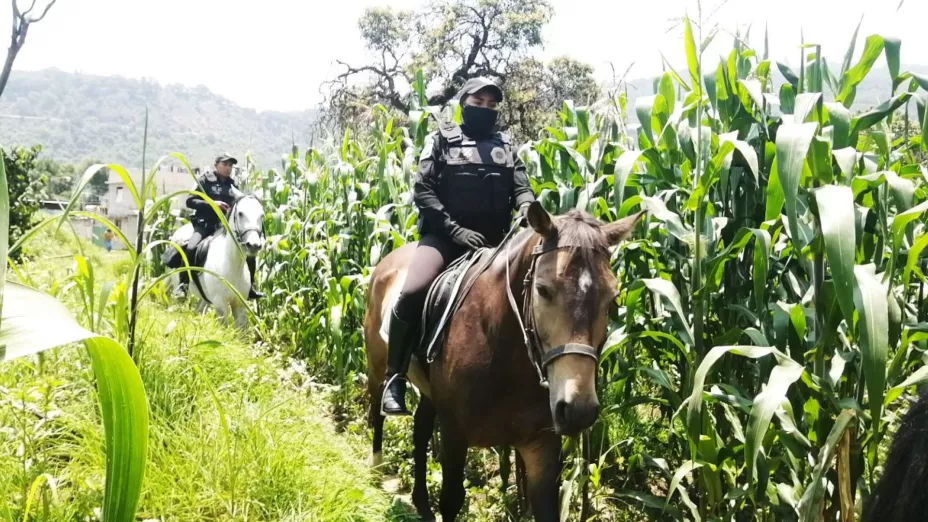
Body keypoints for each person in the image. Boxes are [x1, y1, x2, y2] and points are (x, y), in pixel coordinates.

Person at [381, 77, 536, 416]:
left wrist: (527, 208)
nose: (485, 110)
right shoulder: (441, 141)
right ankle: (394, 378)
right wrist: (455, 230)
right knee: (410, 294)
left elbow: (522, 188)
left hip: (497, 244)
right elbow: (423, 190)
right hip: (444, 239)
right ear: (463, 103)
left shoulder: (506, 147)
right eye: (478, 103)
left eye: (492, 105)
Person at [173, 154, 264, 300]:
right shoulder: (204, 180)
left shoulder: (233, 186)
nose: (228, 168)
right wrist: (212, 203)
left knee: (248, 253)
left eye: (231, 165)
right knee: (190, 248)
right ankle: (182, 286)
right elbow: (190, 201)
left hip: (225, 229)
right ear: (216, 165)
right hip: (205, 226)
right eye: (225, 164)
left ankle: (250, 288)